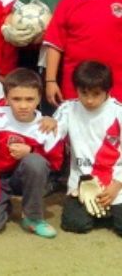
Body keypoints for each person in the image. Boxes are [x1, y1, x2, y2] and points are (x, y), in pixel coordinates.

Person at [0, 68, 63, 238]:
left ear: (39, 98)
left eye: (30, 99)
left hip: (24, 179)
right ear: (6, 98)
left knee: (35, 161)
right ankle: (2, 202)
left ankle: (32, 217)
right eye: (16, 99)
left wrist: (31, 150)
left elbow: (56, 163)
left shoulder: (46, 126)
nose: (23, 105)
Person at [44, 0, 122, 104]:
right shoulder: (67, 2)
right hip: (78, 85)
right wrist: (50, 81)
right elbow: (54, 44)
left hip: (117, 81)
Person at [52, 61, 122, 235]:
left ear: (108, 90)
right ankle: (103, 213)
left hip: (116, 183)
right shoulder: (68, 109)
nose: (89, 100)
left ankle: (110, 211)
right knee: (75, 224)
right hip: (82, 184)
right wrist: (48, 124)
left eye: (96, 94)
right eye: (84, 93)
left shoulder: (118, 112)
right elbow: (52, 136)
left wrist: (117, 185)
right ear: (76, 89)